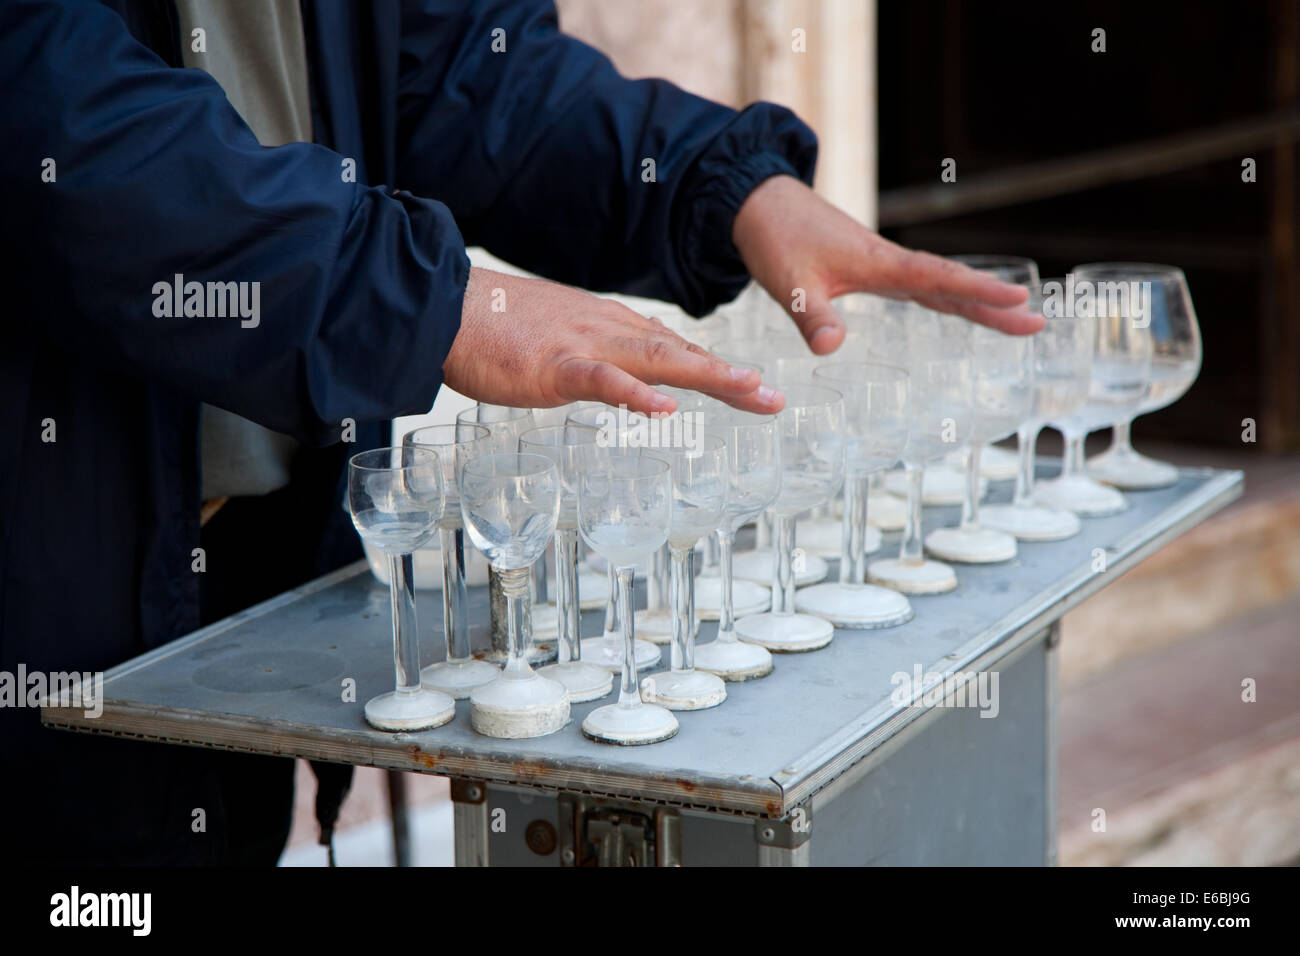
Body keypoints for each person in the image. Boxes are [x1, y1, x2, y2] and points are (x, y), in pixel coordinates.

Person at [0, 0, 1040, 865]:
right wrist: (427, 303)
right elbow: (51, 115)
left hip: (239, 571)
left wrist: (721, 186)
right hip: (45, 571)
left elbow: (463, 68)